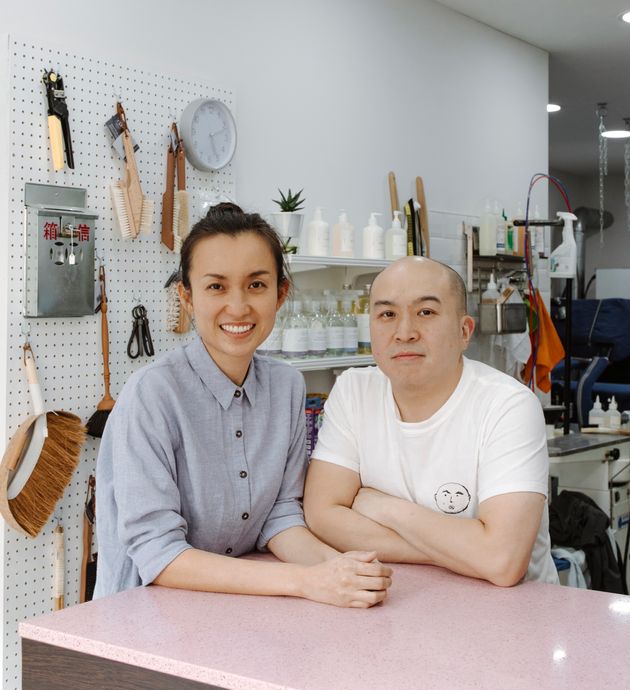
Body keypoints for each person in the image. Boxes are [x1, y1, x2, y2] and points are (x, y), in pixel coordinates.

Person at [93, 204, 392, 608]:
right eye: (216, 286)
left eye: (256, 285)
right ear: (186, 296)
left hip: (242, 612)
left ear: (280, 293)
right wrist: (303, 581)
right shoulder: (152, 394)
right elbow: (159, 555)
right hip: (147, 622)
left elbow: (280, 516)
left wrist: (342, 570)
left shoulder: (286, 385)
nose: (238, 307)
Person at [304, 256, 558, 586]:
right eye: (387, 314)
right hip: (402, 600)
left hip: (513, 618)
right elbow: (322, 516)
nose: (404, 332)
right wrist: (462, 549)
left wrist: (384, 507)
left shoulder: (507, 405)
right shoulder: (354, 390)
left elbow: (502, 561)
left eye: (426, 312)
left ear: (464, 330)